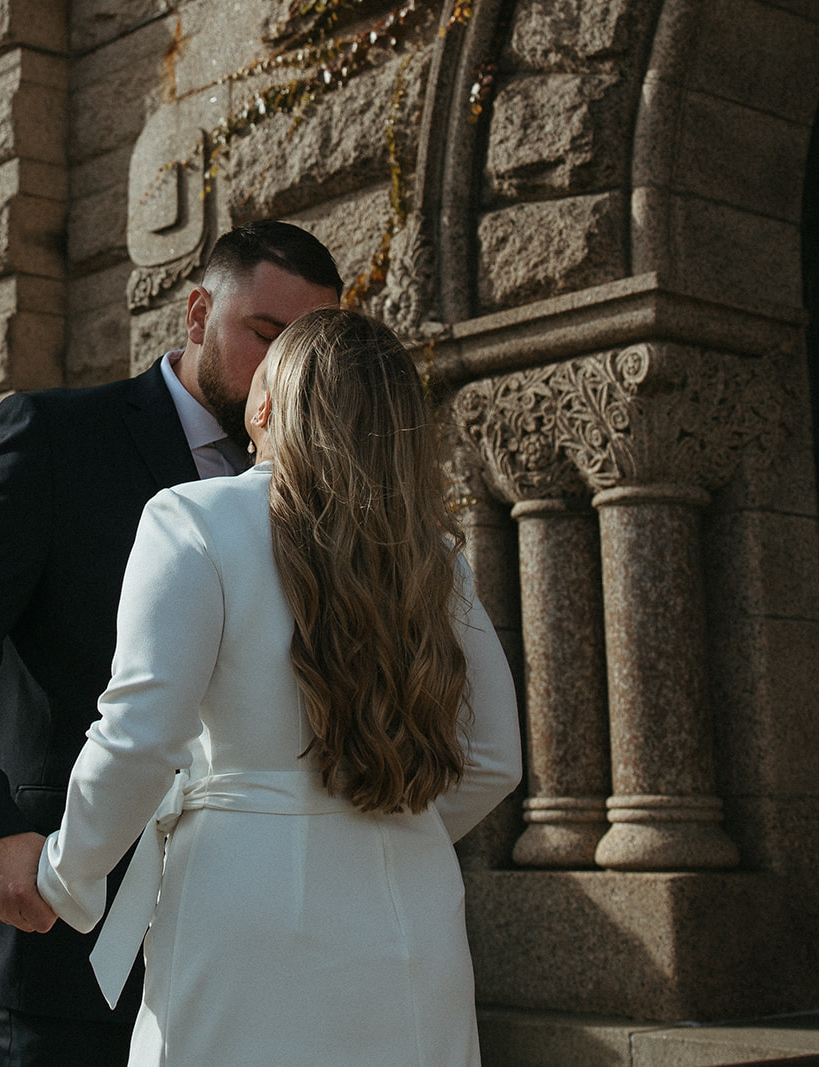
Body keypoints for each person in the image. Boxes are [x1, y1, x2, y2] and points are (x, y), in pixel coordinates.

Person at [0, 221, 343, 1065]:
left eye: (307, 349)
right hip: (74, 937)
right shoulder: (56, 440)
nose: (283, 371)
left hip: (266, 950)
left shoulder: (323, 492)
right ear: (198, 313)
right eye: (266, 336)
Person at [32, 307, 522, 1066]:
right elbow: (495, 757)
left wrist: (65, 871)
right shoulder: (434, 558)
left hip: (240, 903)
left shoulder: (193, 517)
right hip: (413, 911)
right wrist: (379, 822)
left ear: (264, 406)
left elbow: (138, 734)